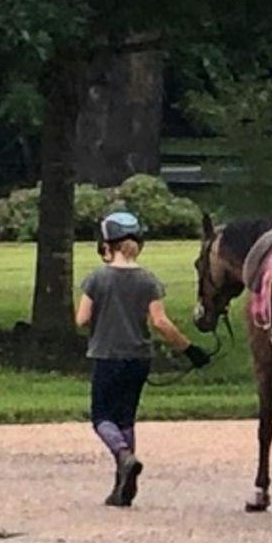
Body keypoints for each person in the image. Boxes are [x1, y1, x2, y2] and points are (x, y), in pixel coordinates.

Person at [77, 208, 200, 506]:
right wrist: (189, 349)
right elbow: (160, 322)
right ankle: (122, 486)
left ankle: (123, 455)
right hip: (138, 359)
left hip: (107, 356)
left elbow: (81, 319)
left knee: (102, 417)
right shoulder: (149, 280)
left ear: (107, 245)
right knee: (126, 417)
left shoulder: (97, 278)